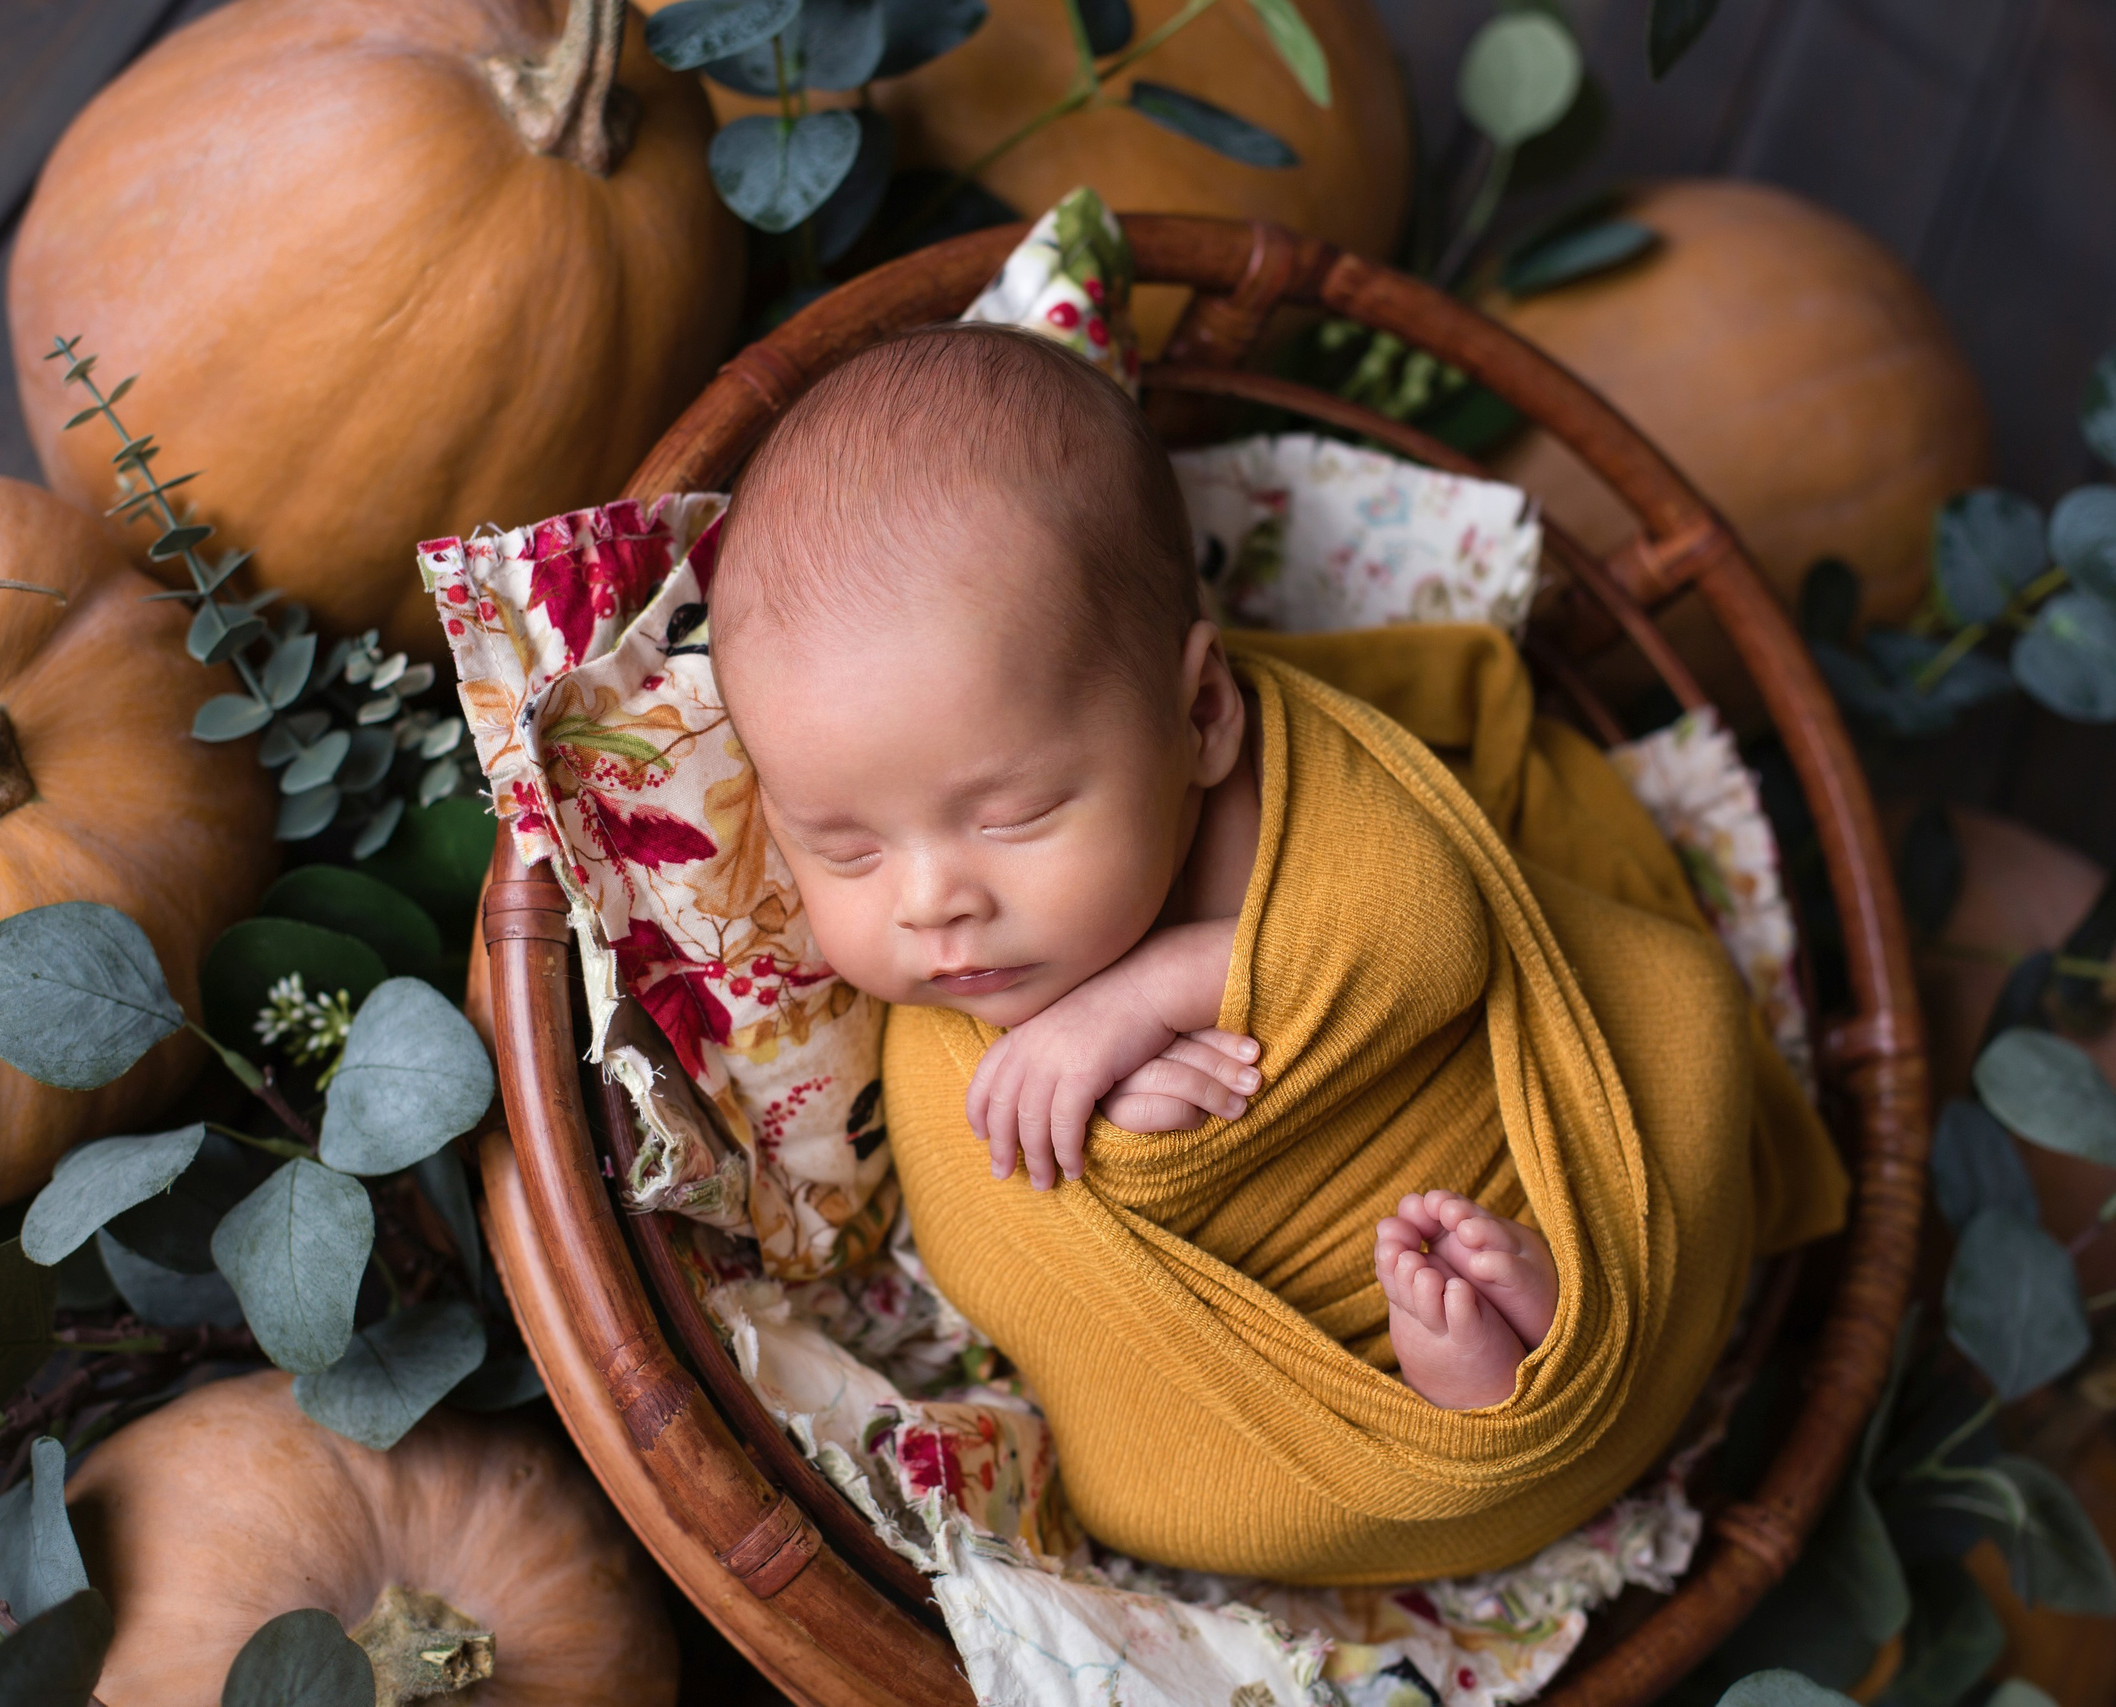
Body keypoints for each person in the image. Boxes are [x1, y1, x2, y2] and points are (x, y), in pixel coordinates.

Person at [709, 321, 1844, 1581]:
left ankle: (1537, 1323)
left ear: (1198, 715)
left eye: (1012, 814)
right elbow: (996, 1251)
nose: (931, 904)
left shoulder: (1292, 784)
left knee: (1676, 1019)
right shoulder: (935, 1018)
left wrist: (1149, 995)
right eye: (844, 850)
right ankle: (1465, 1383)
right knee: (1154, 1479)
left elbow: (1429, 934)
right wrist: (1114, 1146)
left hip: (1556, 1166)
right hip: (1309, 1419)